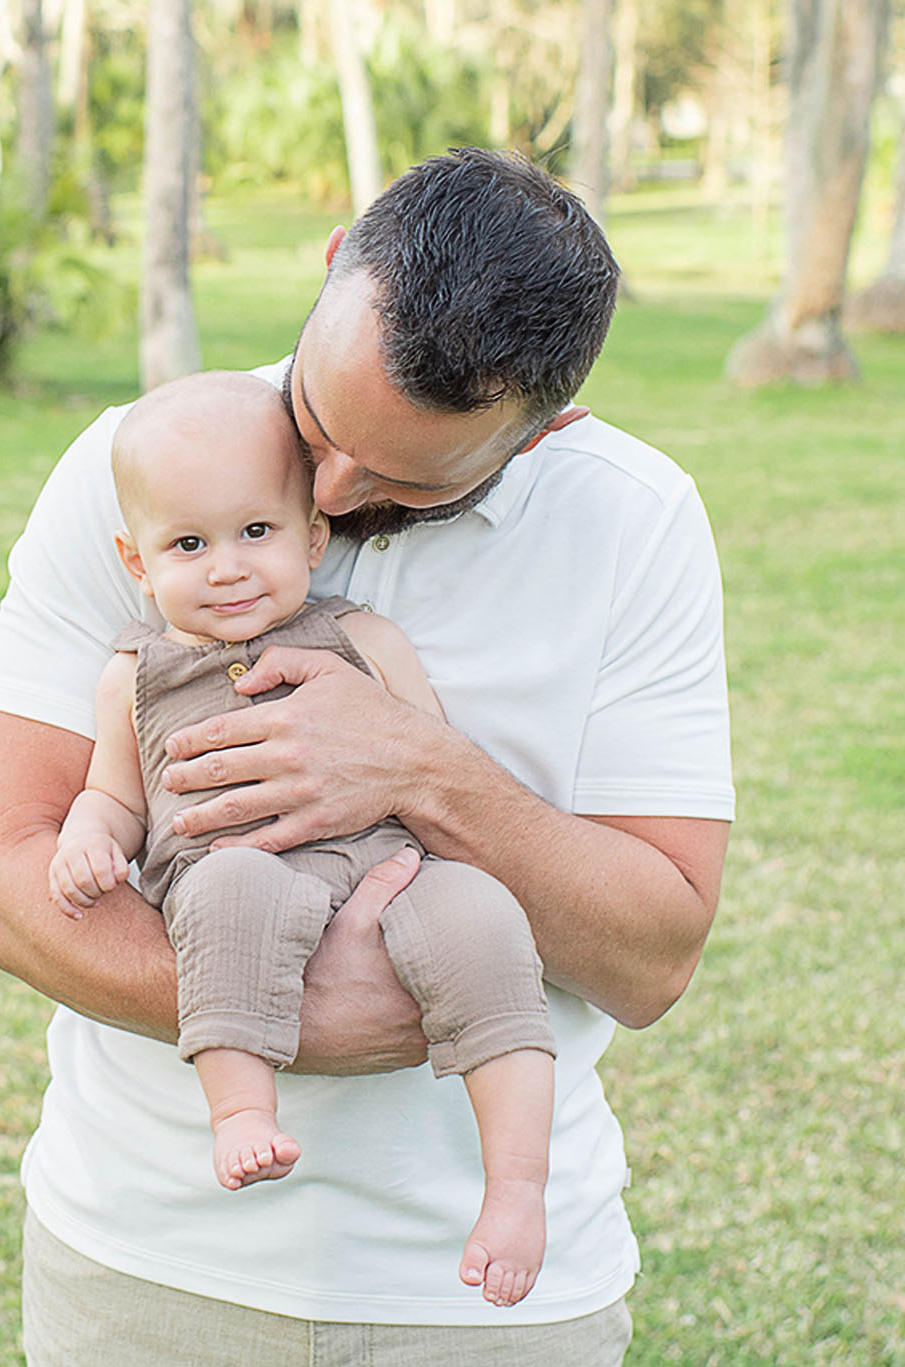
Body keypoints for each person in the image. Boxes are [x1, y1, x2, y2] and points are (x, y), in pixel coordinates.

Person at [0, 147, 734, 1365]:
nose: (324, 492)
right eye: (316, 424)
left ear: (540, 431)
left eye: (405, 480)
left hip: (482, 1308)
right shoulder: (137, 467)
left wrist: (421, 770)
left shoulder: (634, 522)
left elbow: (653, 956)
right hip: (146, 1263)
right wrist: (291, 1018)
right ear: (331, 263)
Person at [48, 370, 557, 1307]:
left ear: (312, 536)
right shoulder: (135, 674)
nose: (228, 566)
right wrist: (89, 835)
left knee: (484, 917)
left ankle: (517, 1188)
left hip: (389, 864)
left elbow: (439, 766)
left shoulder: (363, 636)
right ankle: (242, 1110)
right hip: (233, 864)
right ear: (135, 560)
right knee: (227, 896)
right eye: (188, 544)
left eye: (256, 532)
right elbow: (115, 795)